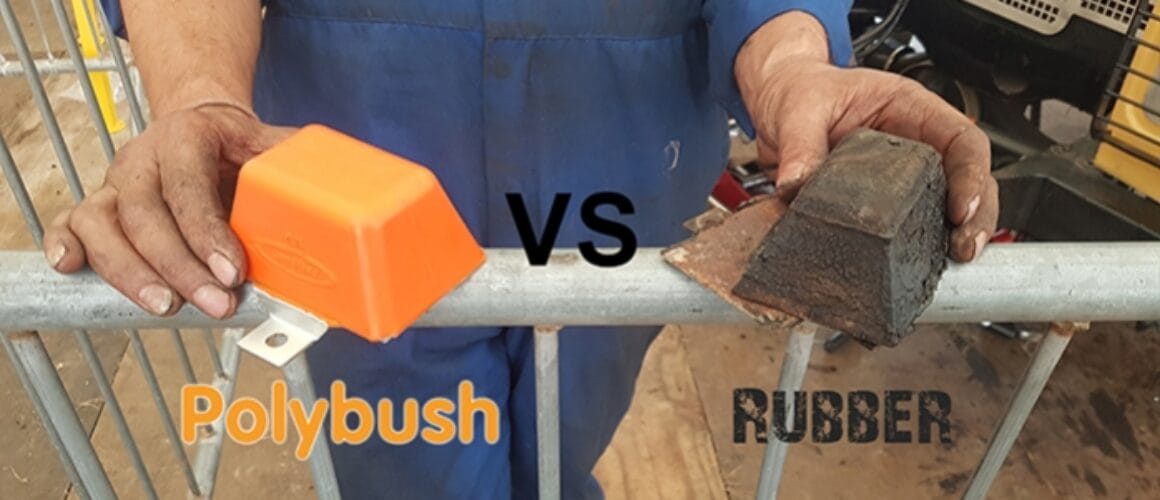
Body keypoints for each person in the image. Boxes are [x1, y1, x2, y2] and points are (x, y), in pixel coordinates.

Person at [48, 1, 998, 498]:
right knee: (401, 444)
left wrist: (795, 67)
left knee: (567, 419)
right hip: (346, 155)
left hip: (620, 159)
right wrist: (200, 97)